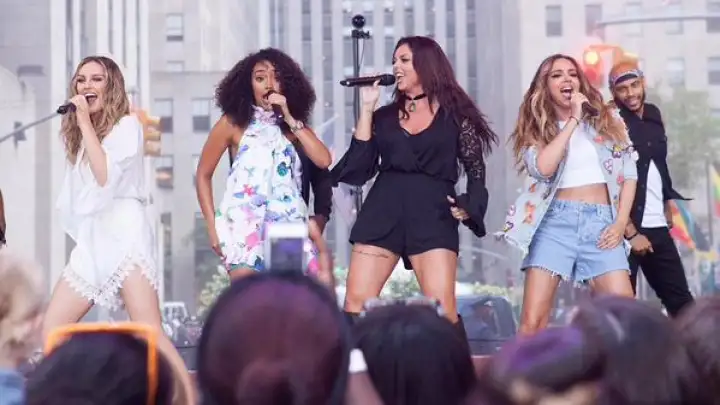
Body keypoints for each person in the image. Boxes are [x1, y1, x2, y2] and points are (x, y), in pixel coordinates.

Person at [44, 56, 194, 401]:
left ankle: (188, 398)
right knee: (53, 327)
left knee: (148, 331)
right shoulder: (83, 136)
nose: (86, 85)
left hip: (125, 234)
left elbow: (105, 177)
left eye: (96, 79)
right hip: (95, 240)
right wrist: (83, 126)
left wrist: (83, 120)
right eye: (81, 79)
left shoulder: (128, 127)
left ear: (111, 87)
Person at [332, 36, 497, 334]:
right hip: (383, 209)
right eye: (394, 61)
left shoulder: (456, 118)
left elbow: (476, 171)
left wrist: (469, 206)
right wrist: (367, 108)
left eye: (404, 60)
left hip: (432, 211)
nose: (396, 66)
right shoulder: (383, 117)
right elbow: (358, 167)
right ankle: (356, 364)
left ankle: (451, 365)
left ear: (426, 65)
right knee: (356, 302)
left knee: (442, 309)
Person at [497, 54, 637, 335]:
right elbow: (543, 168)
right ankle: (525, 366)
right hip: (555, 224)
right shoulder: (538, 129)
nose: (567, 79)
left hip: (602, 224)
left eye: (572, 74)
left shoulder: (607, 120)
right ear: (545, 86)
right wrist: (573, 119)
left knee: (626, 317)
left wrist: (621, 222)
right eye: (557, 75)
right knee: (533, 322)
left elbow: (629, 174)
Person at [196, 48, 333, 285]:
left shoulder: (294, 127)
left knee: (285, 301)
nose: (269, 84)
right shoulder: (232, 123)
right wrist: (212, 225)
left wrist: (289, 116)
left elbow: (323, 160)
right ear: (248, 85)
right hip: (243, 226)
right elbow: (202, 175)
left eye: (276, 77)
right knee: (248, 300)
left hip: (287, 226)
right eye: (260, 78)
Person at [608, 59, 694, 317]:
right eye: (622, 89)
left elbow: (659, 164)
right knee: (620, 312)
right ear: (613, 92)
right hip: (623, 229)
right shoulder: (611, 121)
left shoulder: (654, 114)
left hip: (657, 225)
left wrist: (666, 203)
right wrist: (631, 232)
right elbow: (609, 180)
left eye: (634, 85)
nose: (630, 94)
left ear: (643, 83)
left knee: (683, 305)